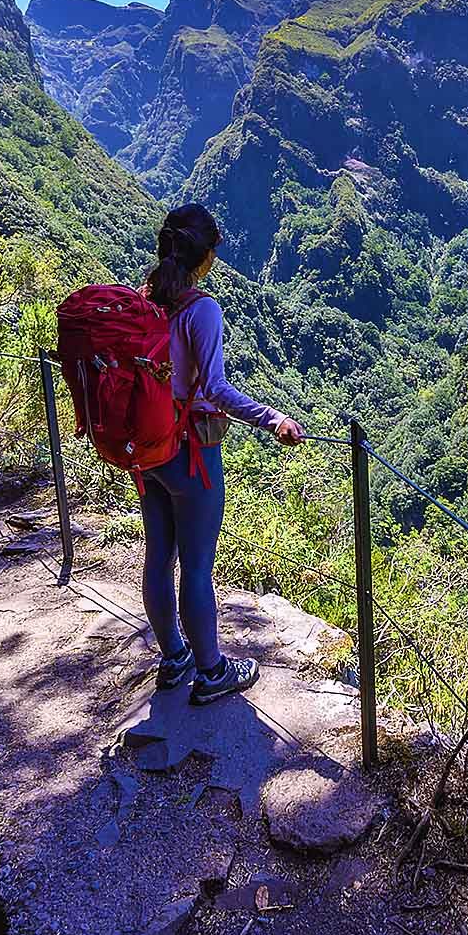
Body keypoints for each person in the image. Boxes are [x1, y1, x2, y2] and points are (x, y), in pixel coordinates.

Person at [141, 203, 305, 705]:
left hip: (149, 452)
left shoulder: (147, 303)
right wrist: (271, 417)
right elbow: (214, 389)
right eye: (214, 250)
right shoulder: (201, 310)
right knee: (196, 566)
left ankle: (173, 658)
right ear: (204, 255)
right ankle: (212, 671)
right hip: (192, 451)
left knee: (158, 557)